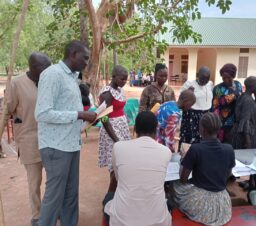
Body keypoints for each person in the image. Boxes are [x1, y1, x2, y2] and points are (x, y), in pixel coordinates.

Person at [35, 40, 97, 226]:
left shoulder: (72, 77)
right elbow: (42, 113)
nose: (87, 62)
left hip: (71, 144)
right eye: (85, 57)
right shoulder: (53, 74)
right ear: (73, 54)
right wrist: (79, 114)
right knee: (54, 197)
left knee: (71, 195)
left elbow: (66, 109)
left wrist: (87, 117)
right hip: (56, 146)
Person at [103, 111, 172, 226]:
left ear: (135, 129)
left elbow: (118, 178)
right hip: (157, 222)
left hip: (122, 222)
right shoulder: (165, 151)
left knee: (109, 197)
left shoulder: (119, 147)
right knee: (167, 201)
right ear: (156, 130)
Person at [6, 52, 51, 226]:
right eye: (44, 67)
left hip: (51, 139)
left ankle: (51, 209)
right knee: (34, 182)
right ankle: (37, 215)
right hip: (29, 139)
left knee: (53, 179)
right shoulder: (17, 83)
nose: (48, 70)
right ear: (33, 67)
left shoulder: (49, 81)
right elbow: (7, 110)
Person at [172, 112, 235, 225]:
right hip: (223, 205)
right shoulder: (229, 149)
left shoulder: (196, 149)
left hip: (201, 204)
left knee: (174, 186)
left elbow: (183, 179)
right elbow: (228, 175)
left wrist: (184, 160)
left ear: (202, 130)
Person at [98, 65, 131, 193]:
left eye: (125, 80)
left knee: (122, 163)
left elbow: (120, 109)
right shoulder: (107, 93)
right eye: (122, 79)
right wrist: (115, 139)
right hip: (111, 130)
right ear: (113, 76)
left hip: (122, 127)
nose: (124, 82)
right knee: (115, 164)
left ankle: (117, 192)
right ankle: (110, 197)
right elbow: (103, 118)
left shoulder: (119, 90)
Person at [232, 76, 256, 190]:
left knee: (249, 159)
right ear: (253, 87)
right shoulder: (248, 101)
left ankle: (250, 181)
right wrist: (248, 140)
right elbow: (246, 121)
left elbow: (250, 114)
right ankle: (254, 186)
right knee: (253, 159)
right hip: (246, 134)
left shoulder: (244, 96)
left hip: (240, 131)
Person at [179, 66, 214, 147]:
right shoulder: (189, 84)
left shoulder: (210, 84)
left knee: (204, 141)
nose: (205, 81)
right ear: (197, 75)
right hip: (192, 116)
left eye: (207, 79)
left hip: (206, 115)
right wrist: (189, 93)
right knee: (190, 141)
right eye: (202, 78)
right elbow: (181, 99)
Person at [212, 63, 242, 144]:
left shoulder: (238, 84)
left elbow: (239, 99)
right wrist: (234, 95)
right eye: (223, 78)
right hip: (221, 123)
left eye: (228, 78)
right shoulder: (218, 88)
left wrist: (232, 96)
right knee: (220, 144)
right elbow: (218, 103)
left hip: (234, 122)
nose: (225, 80)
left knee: (231, 145)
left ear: (233, 76)